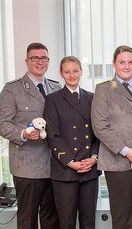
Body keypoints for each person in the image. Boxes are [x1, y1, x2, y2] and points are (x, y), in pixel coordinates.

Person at [91, 45, 132, 229]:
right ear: (114, 64)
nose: (127, 66)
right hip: (117, 163)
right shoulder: (103, 90)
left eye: (130, 62)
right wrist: (126, 151)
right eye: (122, 62)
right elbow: (100, 127)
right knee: (122, 217)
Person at [0, 42, 61, 229]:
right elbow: (1, 124)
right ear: (27, 61)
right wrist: (23, 133)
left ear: (48, 61)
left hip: (54, 164)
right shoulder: (12, 89)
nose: (40, 62)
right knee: (27, 219)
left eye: (44, 58)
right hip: (27, 165)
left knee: (51, 218)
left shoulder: (56, 87)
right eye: (35, 58)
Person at [43, 56, 100, 229]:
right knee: (66, 222)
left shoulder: (92, 98)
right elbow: (52, 135)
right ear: (61, 74)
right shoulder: (53, 99)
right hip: (65, 170)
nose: (72, 75)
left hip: (89, 169)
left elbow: (99, 133)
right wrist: (71, 162)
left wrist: (94, 157)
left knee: (88, 221)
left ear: (81, 72)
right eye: (67, 71)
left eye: (75, 71)